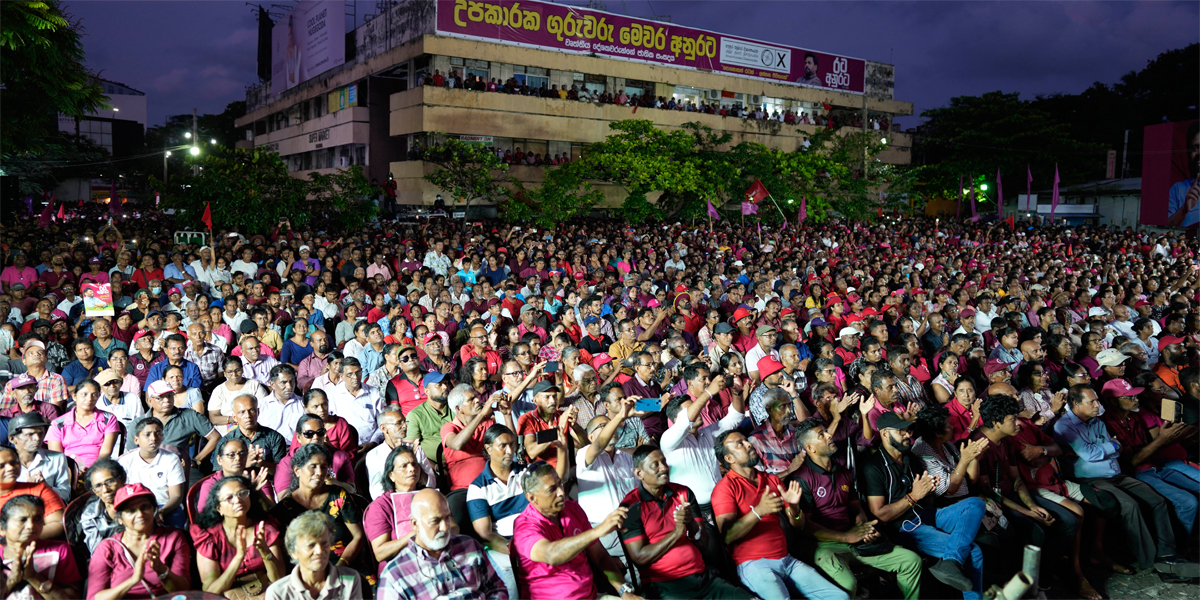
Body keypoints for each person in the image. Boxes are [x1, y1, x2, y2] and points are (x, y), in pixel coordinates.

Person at [1053, 384, 1198, 576]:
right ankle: (1150, 560)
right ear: (1076, 404)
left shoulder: (1097, 422)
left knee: (1157, 501)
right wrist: (1108, 446)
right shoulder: (1064, 426)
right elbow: (1090, 454)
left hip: (1115, 474)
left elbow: (1115, 448)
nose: (1098, 405)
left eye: (1097, 400)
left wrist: (1106, 447)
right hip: (1091, 478)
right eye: (1092, 401)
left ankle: (1167, 554)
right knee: (1130, 506)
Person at [793, 419, 923, 599]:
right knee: (848, 585)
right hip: (824, 546)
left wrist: (865, 529)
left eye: (826, 431)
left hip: (853, 538)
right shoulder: (802, 479)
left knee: (911, 561)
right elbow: (806, 527)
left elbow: (856, 508)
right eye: (821, 435)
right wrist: (847, 537)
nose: (830, 435)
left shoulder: (843, 472)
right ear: (811, 448)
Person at [711, 430, 848, 600]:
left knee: (840, 597)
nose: (748, 444)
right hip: (753, 564)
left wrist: (794, 508)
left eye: (746, 440)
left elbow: (798, 525)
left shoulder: (771, 480)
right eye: (740, 444)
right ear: (729, 459)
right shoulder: (725, 488)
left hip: (786, 560)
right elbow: (727, 535)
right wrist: (758, 511)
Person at [862, 412, 986, 598]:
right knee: (973, 551)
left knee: (975, 504)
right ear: (885, 434)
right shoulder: (874, 467)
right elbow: (879, 515)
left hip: (926, 514)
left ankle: (951, 561)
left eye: (907, 430)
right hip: (905, 528)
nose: (907, 435)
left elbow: (924, 492)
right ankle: (954, 563)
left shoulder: (909, 458)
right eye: (901, 431)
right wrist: (913, 496)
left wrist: (929, 487)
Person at [619, 444, 753, 599]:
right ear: (639, 473)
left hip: (702, 578)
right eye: (655, 465)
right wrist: (677, 533)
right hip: (666, 586)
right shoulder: (630, 506)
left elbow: (703, 544)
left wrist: (691, 525)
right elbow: (640, 558)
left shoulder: (683, 492)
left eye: (664, 462)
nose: (663, 468)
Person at [512, 463, 645, 600]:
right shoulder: (524, 526)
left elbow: (600, 556)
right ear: (532, 498)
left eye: (560, 484)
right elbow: (551, 555)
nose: (561, 492)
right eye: (552, 489)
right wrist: (598, 531)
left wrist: (624, 591)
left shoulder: (572, 509)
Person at [376, 488, 507, 600]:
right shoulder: (395, 576)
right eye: (435, 521)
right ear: (415, 524)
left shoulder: (470, 546)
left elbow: (497, 589)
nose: (445, 528)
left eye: (447, 518)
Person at [271, 444, 367, 571]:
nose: (320, 472)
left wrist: (340, 566)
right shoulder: (285, 509)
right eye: (313, 467)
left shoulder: (339, 496)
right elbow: (286, 553)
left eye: (324, 467)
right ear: (297, 470)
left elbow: (358, 537)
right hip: (307, 571)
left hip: (345, 564)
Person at [87, 483, 191, 600]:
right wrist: (133, 580)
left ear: (154, 510)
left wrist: (160, 569)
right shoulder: (107, 548)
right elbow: (94, 597)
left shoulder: (173, 538)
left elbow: (183, 590)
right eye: (131, 511)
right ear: (120, 519)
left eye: (145, 507)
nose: (140, 514)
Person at [193, 476, 287, 596]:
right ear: (219, 508)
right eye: (229, 498)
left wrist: (264, 551)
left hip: (267, 592)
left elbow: (278, 579)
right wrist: (238, 557)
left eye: (242, 493)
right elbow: (211, 591)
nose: (237, 500)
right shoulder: (209, 538)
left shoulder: (264, 528)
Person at [264, 510, 364, 600]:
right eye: (310, 545)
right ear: (293, 552)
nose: (319, 551)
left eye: (324, 543)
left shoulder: (350, 580)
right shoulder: (278, 593)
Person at [0, 494, 81, 599]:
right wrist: (12, 581)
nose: (31, 526)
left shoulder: (59, 550)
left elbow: (73, 597)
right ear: (2, 528)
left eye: (37, 518)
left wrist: (33, 576)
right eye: (22, 520)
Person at [364, 445, 429, 569]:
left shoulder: (430, 496)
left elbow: (453, 528)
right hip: (398, 569)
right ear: (391, 475)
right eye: (404, 466)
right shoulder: (381, 506)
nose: (411, 469)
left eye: (415, 464)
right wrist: (414, 535)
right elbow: (380, 553)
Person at [116, 416, 187, 528]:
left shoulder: (171, 459)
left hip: (165, 505)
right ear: (136, 440)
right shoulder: (125, 461)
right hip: (136, 505)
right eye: (147, 434)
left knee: (176, 526)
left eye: (158, 433)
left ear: (162, 436)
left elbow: (176, 495)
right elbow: (122, 493)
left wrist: (162, 511)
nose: (153, 438)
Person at [45, 378, 120, 470]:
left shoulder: (108, 419)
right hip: (67, 469)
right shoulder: (58, 423)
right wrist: (73, 471)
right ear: (74, 396)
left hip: (99, 468)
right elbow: (57, 456)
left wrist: (91, 471)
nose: (89, 399)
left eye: (94, 395)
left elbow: (105, 453)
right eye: (84, 394)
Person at [274, 414, 356, 492]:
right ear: (298, 437)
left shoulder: (340, 456)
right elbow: (283, 498)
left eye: (320, 432)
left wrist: (332, 482)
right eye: (309, 434)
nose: (316, 437)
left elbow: (352, 489)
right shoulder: (287, 462)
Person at [366, 408, 435, 499]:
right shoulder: (374, 455)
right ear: (384, 428)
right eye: (399, 423)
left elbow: (432, 484)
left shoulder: (416, 449)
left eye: (405, 422)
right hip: (392, 504)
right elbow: (376, 492)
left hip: (421, 499)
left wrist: (413, 458)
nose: (405, 426)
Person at [0, 446, 66, 539]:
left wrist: (22, 539)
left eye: (14, 462)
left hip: (35, 548)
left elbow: (59, 523)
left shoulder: (39, 490)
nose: (10, 468)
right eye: (1, 466)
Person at [196, 437, 273, 513]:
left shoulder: (256, 477)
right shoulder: (211, 484)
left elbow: (272, 511)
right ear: (219, 460)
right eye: (231, 455)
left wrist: (257, 492)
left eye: (242, 454)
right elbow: (205, 516)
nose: (238, 458)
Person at [77, 459, 126, 554]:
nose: (105, 490)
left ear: (123, 479)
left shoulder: (139, 501)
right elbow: (98, 552)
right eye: (98, 486)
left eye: (110, 481)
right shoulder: (91, 514)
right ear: (94, 490)